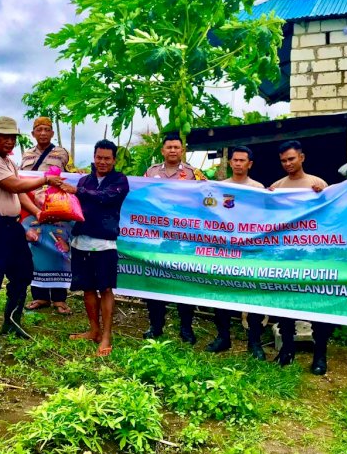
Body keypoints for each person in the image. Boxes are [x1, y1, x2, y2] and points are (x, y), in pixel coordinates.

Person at [0, 116, 62, 354]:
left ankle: (12, 322)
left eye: (12, 138)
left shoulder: (7, 161)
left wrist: (37, 212)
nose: (10, 142)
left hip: (11, 225)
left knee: (22, 272)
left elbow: (18, 194)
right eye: (4, 137)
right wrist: (45, 178)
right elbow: (13, 186)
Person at [58, 139, 129, 357]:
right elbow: (73, 209)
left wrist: (78, 191)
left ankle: (107, 335)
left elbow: (106, 198)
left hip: (105, 244)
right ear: (94, 157)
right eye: (99, 157)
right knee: (88, 288)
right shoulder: (84, 180)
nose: (102, 162)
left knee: (105, 289)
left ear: (114, 160)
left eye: (107, 158)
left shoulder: (119, 181)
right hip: (81, 243)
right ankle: (94, 330)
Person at [268, 140, 334, 375]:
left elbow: (330, 216)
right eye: (284, 160)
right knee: (286, 305)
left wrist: (322, 196)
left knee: (315, 305)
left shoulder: (317, 184)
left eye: (291, 159)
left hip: (312, 257)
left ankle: (320, 355)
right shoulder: (276, 187)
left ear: (302, 158)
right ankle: (286, 350)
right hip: (286, 256)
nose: (288, 164)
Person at [142, 132, 206, 345]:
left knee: (183, 282)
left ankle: (186, 328)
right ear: (162, 150)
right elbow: (140, 199)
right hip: (156, 238)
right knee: (155, 281)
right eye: (168, 147)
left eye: (176, 147)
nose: (172, 150)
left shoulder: (194, 174)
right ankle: (156, 326)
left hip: (183, 239)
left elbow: (207, 199)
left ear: (182, 150)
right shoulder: (150, 173)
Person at [205, 146, 266, 359]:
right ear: (230, 163)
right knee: (221, 294)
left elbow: (265, 218)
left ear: (250, 164)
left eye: (243, 160)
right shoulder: (218, 188)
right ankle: (223, 337)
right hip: (224, 250)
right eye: (235, 160)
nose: (238, 163)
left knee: (252, 295)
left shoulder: (259, 189)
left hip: (250, 251)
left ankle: (254, 342)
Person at [21, 116, 73, 314]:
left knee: (59, 248)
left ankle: (59, 299)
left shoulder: (61, 153)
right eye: (39, 129)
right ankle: (40, 297)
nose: (43, 133)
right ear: (33, 133)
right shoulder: (26, 155)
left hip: (56, 207)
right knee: (36, 249)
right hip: (32, 208)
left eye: (47, 129)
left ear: (52, 133)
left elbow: (68, 174)